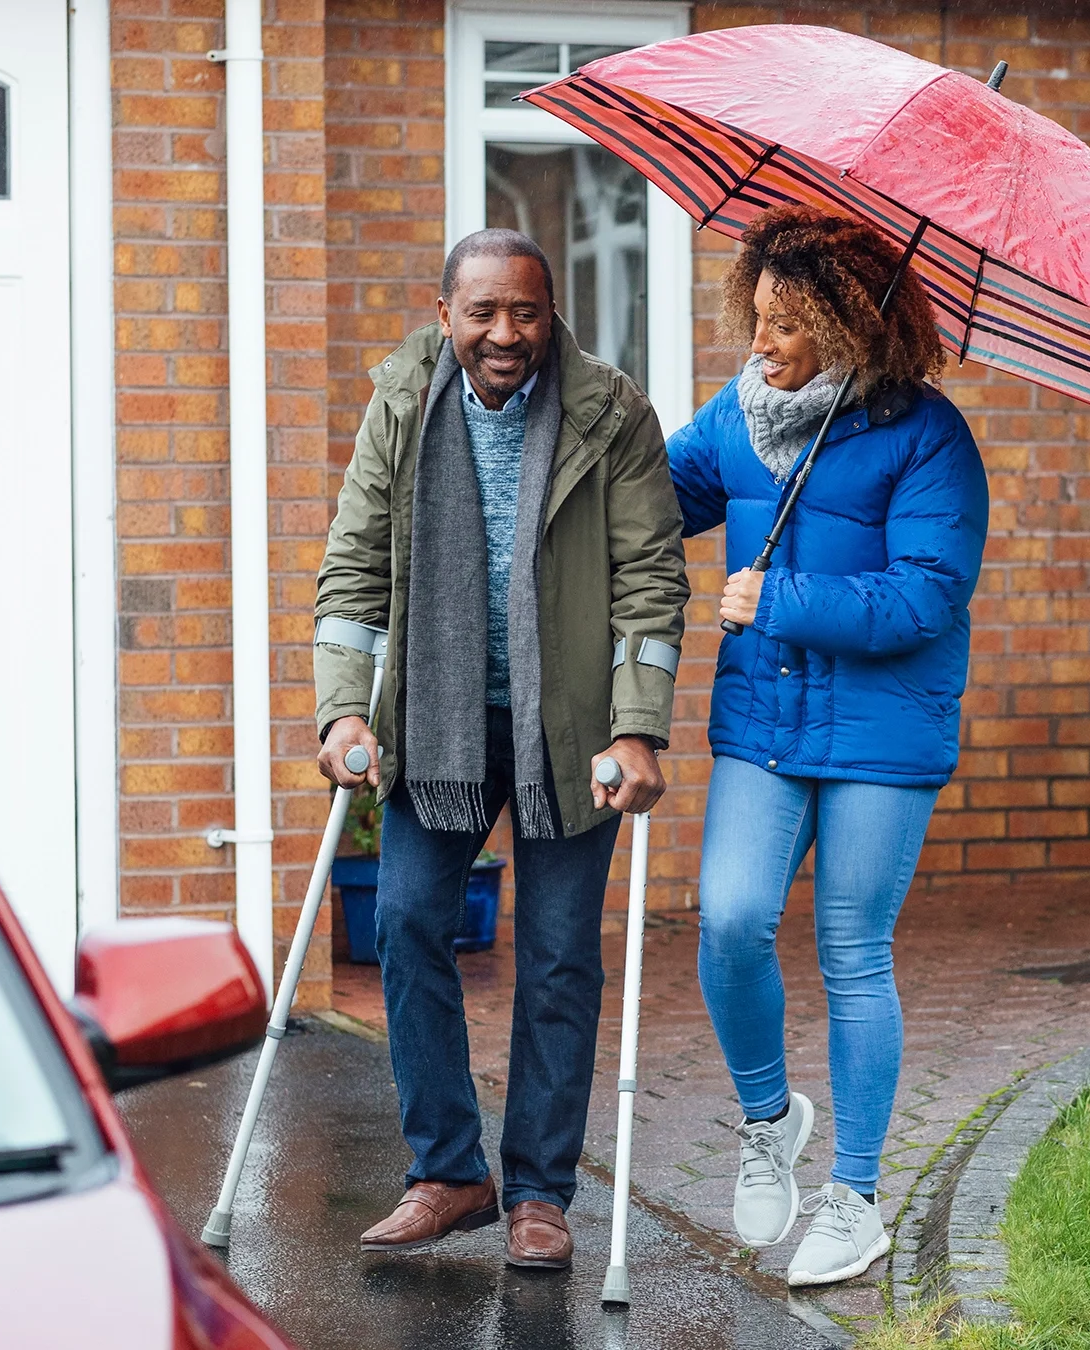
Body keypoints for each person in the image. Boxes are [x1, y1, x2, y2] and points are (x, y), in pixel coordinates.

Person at [314, 228, 688, 1270]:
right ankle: (448, 1171)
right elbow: (352, 570)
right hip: (438, 717)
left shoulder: (611, 414)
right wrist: (345, 713)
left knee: (561, 957)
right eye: (482, 312)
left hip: (569, 725)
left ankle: (538, 1193)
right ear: (446, 316)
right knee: (405, 922)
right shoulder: (399, 403)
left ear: (551, 310)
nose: (505, 333)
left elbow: (650, 579)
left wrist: (637, 725)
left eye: (525, 310)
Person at [666, 205, 989, 1287]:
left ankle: (856, 1198)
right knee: (731, 918)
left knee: (853, 947)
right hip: (765, 718)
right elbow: (658, 497)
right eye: (756, 317)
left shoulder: (929, 439)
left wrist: (780, 596)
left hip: (880, 732)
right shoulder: (741, 414)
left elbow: (926, 598)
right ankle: (770, 1121)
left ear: (856, 329)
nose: (762, 344)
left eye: (790, 328)